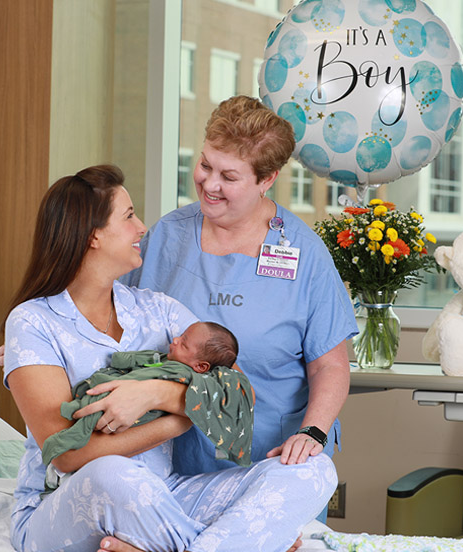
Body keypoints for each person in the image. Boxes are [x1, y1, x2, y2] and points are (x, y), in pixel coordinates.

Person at [3, 164, 336, 552]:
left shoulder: (155, 310)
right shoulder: (33, 322)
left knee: (313, 471)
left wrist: (163, 395)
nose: (142, 227)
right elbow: (67, 458)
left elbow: (239, 392)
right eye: (128, 217)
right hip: (66, 500)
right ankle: (236, 545)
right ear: (93, 236)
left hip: (164, 494)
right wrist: (178, 421)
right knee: (114, 475)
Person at [119, 95, 357, 482]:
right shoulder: (167, 235)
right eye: (205, 165)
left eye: (229, 177)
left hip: (271, 458)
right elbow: (105, 313)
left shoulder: (304, 254)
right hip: (170, 457)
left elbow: (330, 365)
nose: (209, 184)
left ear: (267, 180)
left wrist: (312, 431)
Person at [41, 321, 255, 469]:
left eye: (184, 342)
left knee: (103, 406)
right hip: (126, 394)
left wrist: (130, 387)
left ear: (200, 366)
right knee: (101, 396)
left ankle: (78, 429)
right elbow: (144, 360)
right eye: (180, 336)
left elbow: (148, 377)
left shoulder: (182, 374)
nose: (175, 339)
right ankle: (80, 408)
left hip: (139, 411)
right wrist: (122, 360)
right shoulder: (169, 359)